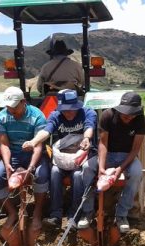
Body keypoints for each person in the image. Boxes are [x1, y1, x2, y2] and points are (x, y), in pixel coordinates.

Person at [22, 89, 97, 228]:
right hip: (62, 157)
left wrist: (86, 138)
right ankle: (55, 214)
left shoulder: (88, 112)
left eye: (71, 110)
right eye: (65, 110)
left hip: (81, 156)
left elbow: (89, 127)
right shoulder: (55, 115)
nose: (68, 113)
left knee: (77, 175)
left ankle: (74, 215)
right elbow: (46, 131)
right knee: (55, 172)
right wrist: (33, 142)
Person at [78, 91, 145, 233]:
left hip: (127, 156)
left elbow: (135, 149)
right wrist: (101, 167)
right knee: (86, 168)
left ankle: (122, 214)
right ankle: (88, 212)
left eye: (131, 115)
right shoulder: (108, 116)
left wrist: (121, 169)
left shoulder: (142, 121)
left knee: (136, 173)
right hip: (107, 154)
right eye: (124, 114)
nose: (127, 117)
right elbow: (103, 143)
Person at [0, 86, 51, 230]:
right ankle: (11, 213)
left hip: (33, 154)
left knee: (41, 175)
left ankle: (37, 212)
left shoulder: (37, 116)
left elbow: (38, 146)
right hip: (14, 154)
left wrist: (30, 168)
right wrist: (7, 164)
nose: (12, 111)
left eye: (15, 107)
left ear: (23, 102)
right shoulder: (2, 116)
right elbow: (4, 143)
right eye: (9, 107)